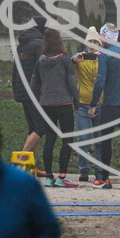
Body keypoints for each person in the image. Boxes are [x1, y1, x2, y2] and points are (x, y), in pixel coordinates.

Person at [87, 23, 120, 190]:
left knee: (106, 141)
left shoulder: (105, 55)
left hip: (111, 104)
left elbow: (100, 81)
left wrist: (93, 104)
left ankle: (105, 179)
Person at [29, 28, 78, 187]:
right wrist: (76, 101)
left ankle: (49, 176)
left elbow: (33, 83)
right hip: (64, 103)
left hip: (46, 103)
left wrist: (40, 98)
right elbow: (71, 83)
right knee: (67, 139)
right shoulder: (65, 60)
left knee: (50, 139)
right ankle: (63, 175)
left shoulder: (41, 60)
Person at [12, 16, 47, 173]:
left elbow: (15, 70)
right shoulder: (39, 44)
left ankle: (30, 165)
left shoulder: (22, 45)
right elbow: (43, 68)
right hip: (35, 92)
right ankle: (21, 159)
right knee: (41, 127)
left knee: (32, 127)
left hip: (22, 91)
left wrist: (16, 90)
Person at [71, 26, 104, 182]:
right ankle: (83, 169)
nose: (92, 44)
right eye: (90, 42)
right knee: (83, 138)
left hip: (100, 103)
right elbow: (67, 64)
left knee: (100, 139)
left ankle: (99, 169)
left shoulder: (104, 57)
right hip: (83, 103)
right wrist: (74, 60)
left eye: (95, 42)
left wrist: (102, 59)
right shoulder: (80, 57)